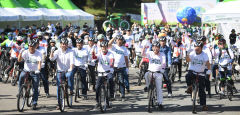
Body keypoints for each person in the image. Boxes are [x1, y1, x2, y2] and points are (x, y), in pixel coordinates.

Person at [49, 38, 75, 109]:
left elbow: (72, 62)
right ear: (60, 44)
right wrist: (51, 51)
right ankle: (59, 103)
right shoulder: (57, 51)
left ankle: (71, 89)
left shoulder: (71, 51)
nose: (64, 45)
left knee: (69, 75)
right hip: (60, 71)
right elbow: (52, 59)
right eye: (62, 44)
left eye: (65, 44)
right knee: (59, 87)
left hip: (68, 70)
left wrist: (70, 69)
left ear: (67, 45)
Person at [185, 42, 211, 111]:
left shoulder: (204, 54)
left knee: (202, 90)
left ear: (201, 48)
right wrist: (187, 55)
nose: (196, 49)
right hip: (192, 71)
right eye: (195, 47)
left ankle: (204, 105)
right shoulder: (192, 53)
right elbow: (187, 60)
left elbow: (208, 63)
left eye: (198, 48)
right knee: (187, 76)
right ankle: (190, 87)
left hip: (201, 73)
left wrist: (209, 71)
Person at [17, 40, 42, 110]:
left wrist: (38, 70)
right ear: (28, 46)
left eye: (33, 46)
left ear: (35, 47)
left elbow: (39, 63)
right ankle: (20, 91)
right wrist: (20, 52)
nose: (31, 48)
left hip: (35, 72)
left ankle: (34, 102)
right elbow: (19, 60)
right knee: (21, 76)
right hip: (26, 70)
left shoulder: (38, 53)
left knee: (35, 87)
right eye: (30, 46)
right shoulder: (25, 52)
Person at [142, 41, 166, 110]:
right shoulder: (150, 53)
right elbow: (143, 54)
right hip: (150, 72)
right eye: (154, 47)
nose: (155, 48)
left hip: (158, 73)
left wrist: (162, 70)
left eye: (157, 47)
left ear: (159, 48)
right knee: (146, 74)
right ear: (152, 47)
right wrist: (143, 48)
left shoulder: (162, 54)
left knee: (159, 89)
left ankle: (160, 103)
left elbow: (164, 63)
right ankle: (147, 86)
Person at [92, 41, 115, 109]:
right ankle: (97, 101)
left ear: (107, 47)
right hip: (101, 72)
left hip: (109, 71)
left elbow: (112, 60)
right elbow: (95, 57)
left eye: (105, 47)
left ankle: (111, 95)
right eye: (102, 47)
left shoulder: (111, 53)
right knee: (97, 87)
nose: (104, 48)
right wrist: (93, 54)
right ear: (101, 48)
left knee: (110, 79)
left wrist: (111, 64)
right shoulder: (99, 53)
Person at [108, 35, 129, 100]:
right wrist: (114, 37)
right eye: (118, 40)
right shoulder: (114, 47)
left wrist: (127, 67)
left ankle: (122, 94)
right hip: (113, 67)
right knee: (111, 80)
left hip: (121, 67)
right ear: (116, 41)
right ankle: (111, 94)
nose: (119, 41)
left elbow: (126, 58)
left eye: (120, 40)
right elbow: (109, 44)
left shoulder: (124, 48)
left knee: (121, 81)